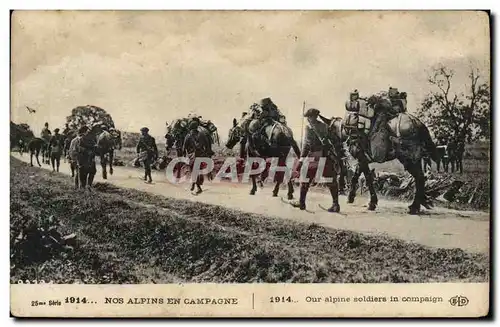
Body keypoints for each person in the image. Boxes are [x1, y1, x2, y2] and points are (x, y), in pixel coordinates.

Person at [291, 108, 341, 212]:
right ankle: (336, 204)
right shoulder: (325, 126)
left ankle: (301, 203)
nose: (308, 119)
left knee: (305, 179)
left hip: (314, 157)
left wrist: (300, 160)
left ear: (312, 117)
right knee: (331, 181)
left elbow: (306, 145)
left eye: (308, 117)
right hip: (326, 157)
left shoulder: (309, 128)